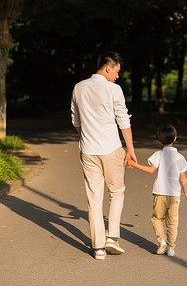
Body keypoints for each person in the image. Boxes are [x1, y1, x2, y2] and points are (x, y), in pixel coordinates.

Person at [70, 51, 137, 260]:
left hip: (88, 151)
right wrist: (131, 150)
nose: (117, 76)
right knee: (116, 192)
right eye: (117, 71)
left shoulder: (78, 87)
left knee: (94, 198)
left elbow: (75, 120)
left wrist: (86, 139)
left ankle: (98, 248)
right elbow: (123, 120)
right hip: (111, 149)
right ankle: (113, 237)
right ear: (109, 67)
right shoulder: (114, 89)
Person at [128, 123, 187, 257]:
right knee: (173, 222)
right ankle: (171, 248)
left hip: (160, 192)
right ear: (175, 138)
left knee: (157, 218)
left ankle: (161, 240)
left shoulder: (158, 154)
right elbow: (183, 177)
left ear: (158, 141)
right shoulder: (180, 157)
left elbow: (151, 170)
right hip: (174, 194)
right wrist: (186, 191)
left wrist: (134, 164)